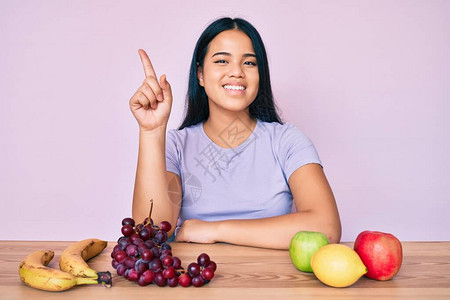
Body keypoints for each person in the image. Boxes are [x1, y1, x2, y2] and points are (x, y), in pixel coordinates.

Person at [129, 17, 341, 250]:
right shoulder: (176, 146)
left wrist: (214, 229)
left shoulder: (286, 141)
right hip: (199, 279)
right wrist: (151, 130)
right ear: (200, 74)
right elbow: (149, 232)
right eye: (222, 60)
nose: (237, 72)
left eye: (249, 63)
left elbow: (326, 227)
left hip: (272, 281)